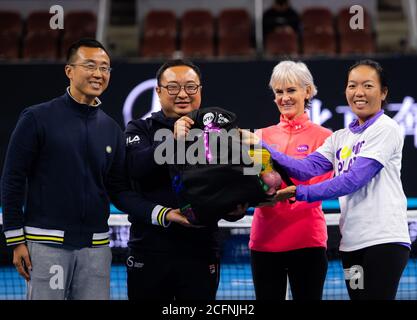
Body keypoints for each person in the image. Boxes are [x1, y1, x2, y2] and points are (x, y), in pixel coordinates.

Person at [1, 38, 156, 300]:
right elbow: (12, 179)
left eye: (105, 68)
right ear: (69, 70)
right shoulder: (37, 118)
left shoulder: (111, 129)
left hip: (96, 249)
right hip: (46, 245)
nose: (98, 74)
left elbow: (119, 190)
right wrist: (16, 240)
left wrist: (160, 213)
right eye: (90, 65)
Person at [254, 59, 411, 300]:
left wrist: (297, 192)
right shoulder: (340, 137)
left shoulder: (385, 128)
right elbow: (307, 168)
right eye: (352, 86)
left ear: (383, 92)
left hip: (383, 240)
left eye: (367, 86)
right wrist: (262, 146)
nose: (359, 92)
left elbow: (351, 180)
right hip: (351, 243)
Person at [125, 59, 246, 300]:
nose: (182, 94)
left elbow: (230, 189)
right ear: (158, 91)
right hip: (149, 251)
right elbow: (136, 168)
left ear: (200, 90)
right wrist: (172, 138)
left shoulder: (219, 130)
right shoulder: (139, 128)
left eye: (191, 87)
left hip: (201, 251)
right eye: (173, 87)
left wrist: (236, 208)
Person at [247, 61, 333, 300]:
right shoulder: (260, 136)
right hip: (265, 241)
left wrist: (281, 193)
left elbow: (318, 188)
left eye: (291, 90)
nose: (284, 97)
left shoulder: (326, 137)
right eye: (279, 91)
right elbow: (249, 187)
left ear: (307, 91)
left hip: (308, 240)